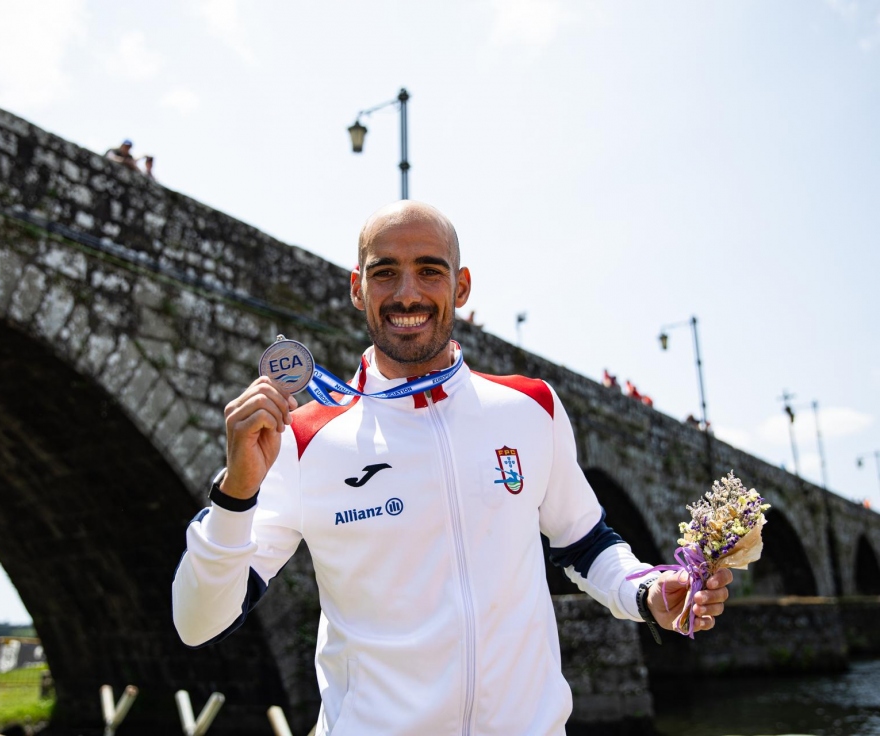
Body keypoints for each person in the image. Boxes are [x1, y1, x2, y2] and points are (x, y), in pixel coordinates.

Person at [172, 201, 733, 735]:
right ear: (357, 288)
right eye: (385, 272)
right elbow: (198, 624)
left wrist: (649, 593)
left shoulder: (530, 406)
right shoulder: (304, 437)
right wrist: (235, 494)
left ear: (461, 285)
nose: (407, 292)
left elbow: (585, 543)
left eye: (430, 271)